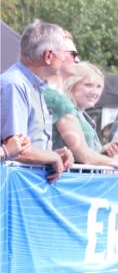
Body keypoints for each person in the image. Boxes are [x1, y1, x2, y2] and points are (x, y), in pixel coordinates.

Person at [0, 19, 74, 181]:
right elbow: (17, 149)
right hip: (15, 189)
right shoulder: (15, 84)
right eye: (63, 52)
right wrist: (52, 157)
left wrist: (53, 155)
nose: (64, 58)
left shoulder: (32, 86)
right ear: (48, 56)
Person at [51, 60, 118, 170]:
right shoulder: (65, 109)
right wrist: (112, 161)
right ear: (72, 84)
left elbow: (84, 157)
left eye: (99, 87)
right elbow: (84, 157)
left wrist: (103, 153)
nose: (95, 92)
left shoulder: (84, 116)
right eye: (88, 85)